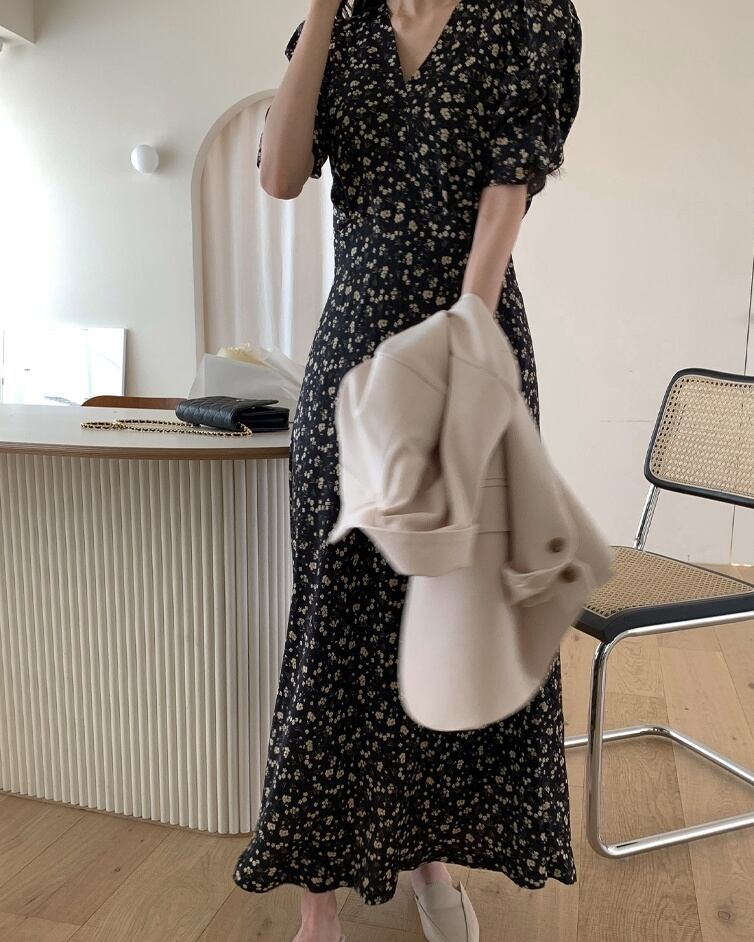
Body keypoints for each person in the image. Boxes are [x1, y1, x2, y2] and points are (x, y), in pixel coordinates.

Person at [233, 1, 583, 939]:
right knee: (335, 617)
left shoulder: (527, 15)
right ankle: (318, 904)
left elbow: (505, 199)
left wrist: (457, 350)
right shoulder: (340, 26)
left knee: (449, 611)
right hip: (352, 354)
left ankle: (428, 856)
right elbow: (279, 175)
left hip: (469, 341)